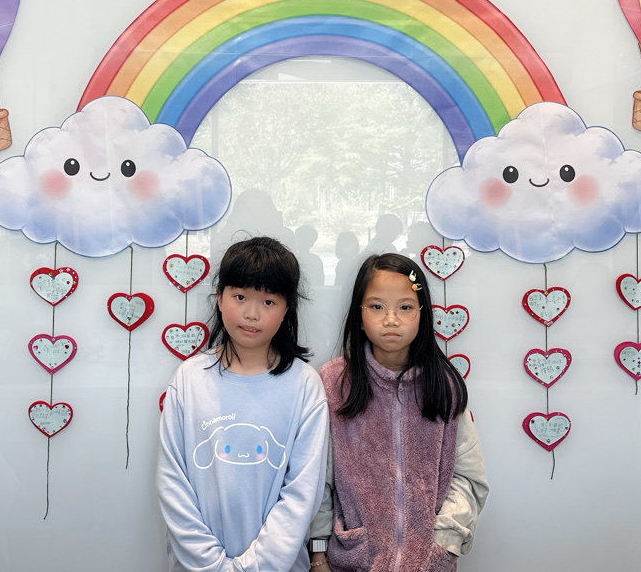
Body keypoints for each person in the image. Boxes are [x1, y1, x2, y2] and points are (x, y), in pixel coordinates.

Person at [158, 236, 330, 572]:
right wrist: (212, 565)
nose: (252, 314)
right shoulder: (189, 379)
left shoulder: (304, 385)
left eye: (268, 301)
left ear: (287, 309)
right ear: (219, 297)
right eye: (240, 297)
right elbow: (172, 483)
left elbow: (302, 493)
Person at [308, 253, 488, 572]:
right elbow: (319, 479)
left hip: (428, 564)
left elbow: (468, 477)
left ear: (422, 314)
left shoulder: (444, 386)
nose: (391, 319)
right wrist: (318, 553)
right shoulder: (335, 382)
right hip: (353, 562)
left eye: (405, 307)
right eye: (377, 306)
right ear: (359, 315)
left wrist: (443, 544)